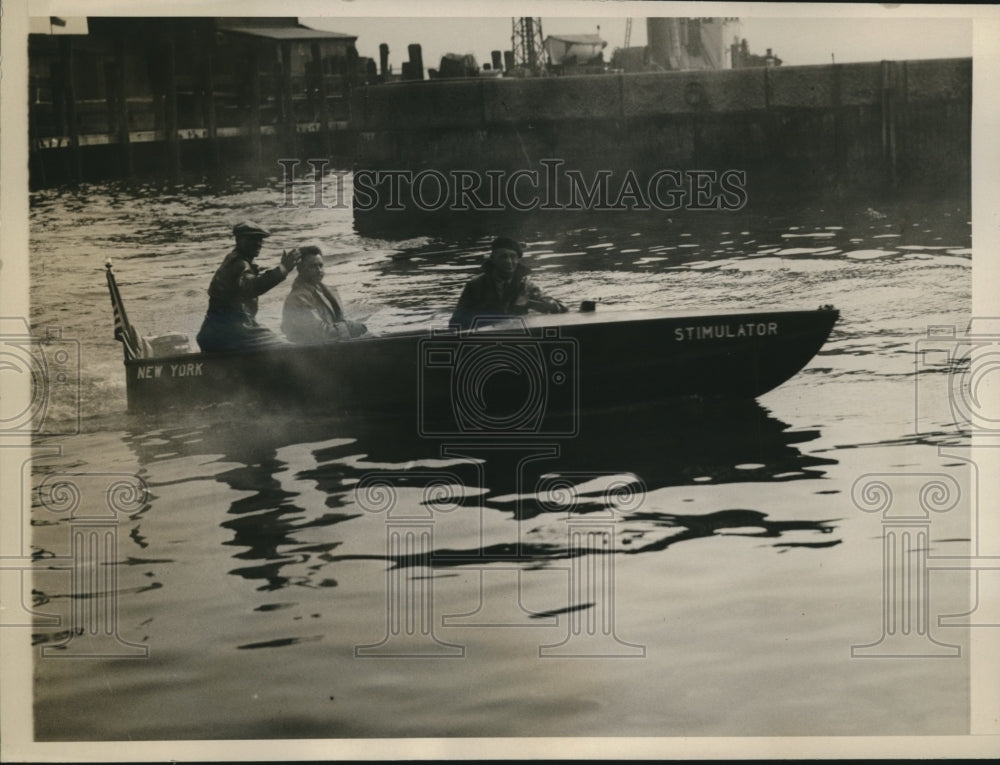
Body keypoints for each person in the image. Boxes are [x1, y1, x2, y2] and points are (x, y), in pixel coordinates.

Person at [196, 221, 300, 352]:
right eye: (252, 239)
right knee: (286, 348)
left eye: (260, 239)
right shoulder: (239, 264)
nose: (258, 244)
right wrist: (283, 269)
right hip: (232, 333)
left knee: (276, 340)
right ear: (239, 240)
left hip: (217, 332)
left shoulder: (234, 259)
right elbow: (252, 287)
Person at [450, 236, 568, 329]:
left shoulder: (526, 285)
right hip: (486, 337)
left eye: (513, 256)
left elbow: (561, 308)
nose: (509, 261)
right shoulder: (475, 285)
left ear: (518, 260)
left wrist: (531, 303)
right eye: (503, 257)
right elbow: (455, 323)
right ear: (493, 259)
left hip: (519, 336)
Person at [282, 246, 368, 343]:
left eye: (320, 265)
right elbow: (320, 333)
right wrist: (352, 327)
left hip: (331, 345)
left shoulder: (327, 291)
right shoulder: (298, 298)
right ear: (301, 269)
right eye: (313, 266)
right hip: (310, 352)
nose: (319, 270)